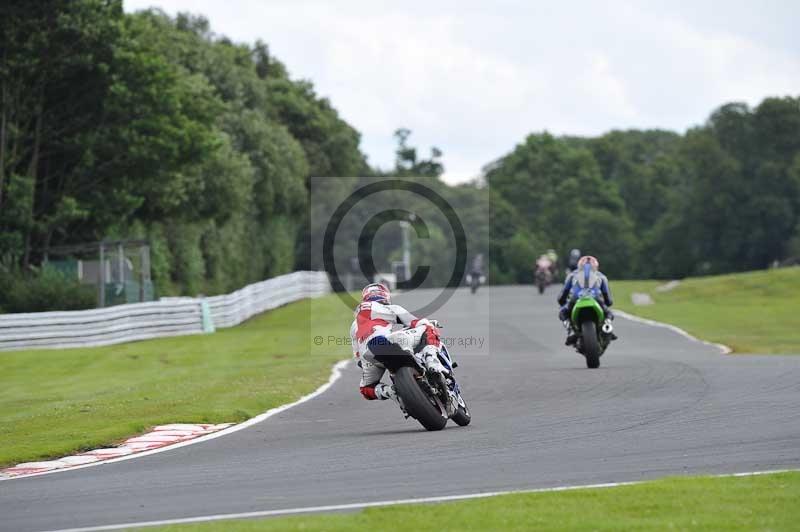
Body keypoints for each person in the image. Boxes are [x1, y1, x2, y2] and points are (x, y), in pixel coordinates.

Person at [349, 282, 444, 401]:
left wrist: (368, 366)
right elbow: (415, 322)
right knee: (427, 326)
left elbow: (357, 357)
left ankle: (391, 392)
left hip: (368, 356)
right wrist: (428, 323)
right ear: (385, 296)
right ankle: (432, 362)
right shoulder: (390, 308)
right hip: (390, 341)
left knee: (366, 389)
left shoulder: (354, 325)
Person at [556, 256, 617, 345]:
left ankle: (570, 329)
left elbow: (562, 295)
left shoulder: (572, 275)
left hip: (576, 299)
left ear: (579, 266)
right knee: (608, 313)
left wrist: (562, 304)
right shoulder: (602, 276)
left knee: (563, 313)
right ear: (596, 266)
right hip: (595, 298)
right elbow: (608, 299)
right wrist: (607, 303)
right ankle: (607, 327)